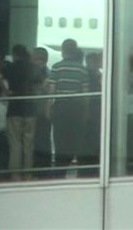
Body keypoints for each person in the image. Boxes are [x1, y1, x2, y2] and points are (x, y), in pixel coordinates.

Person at [47, 39, 89, 174]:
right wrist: (86, 111)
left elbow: (51, 90)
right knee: (74, 137)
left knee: (59, 137)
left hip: (60, 106)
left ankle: (60, 168)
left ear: (63, 50)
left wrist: (48, 108)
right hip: (76, 107)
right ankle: (71, 163)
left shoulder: (56, 67)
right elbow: (85, 94)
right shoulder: (82, 69)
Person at [4, 44, 36, 181]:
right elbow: (39, 86)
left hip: (15, 109)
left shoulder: (10, 68)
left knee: (16, 143)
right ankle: (28, 174)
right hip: (31, 109)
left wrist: (7, 90)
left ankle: (15, 175)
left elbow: (3, 83)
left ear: (15, 54)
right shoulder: (33, 67)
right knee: (29, 144)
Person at [31, 47, 52, 172]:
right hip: (34, 111)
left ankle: (44, 167)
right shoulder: (30, 74)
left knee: (43, 139)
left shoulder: (48, 75)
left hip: (43, 111)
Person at [82, 52, 102, 174]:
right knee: (91, 138)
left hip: (94, 110)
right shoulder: (90, 75)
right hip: (92, 110)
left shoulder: (96, 74)